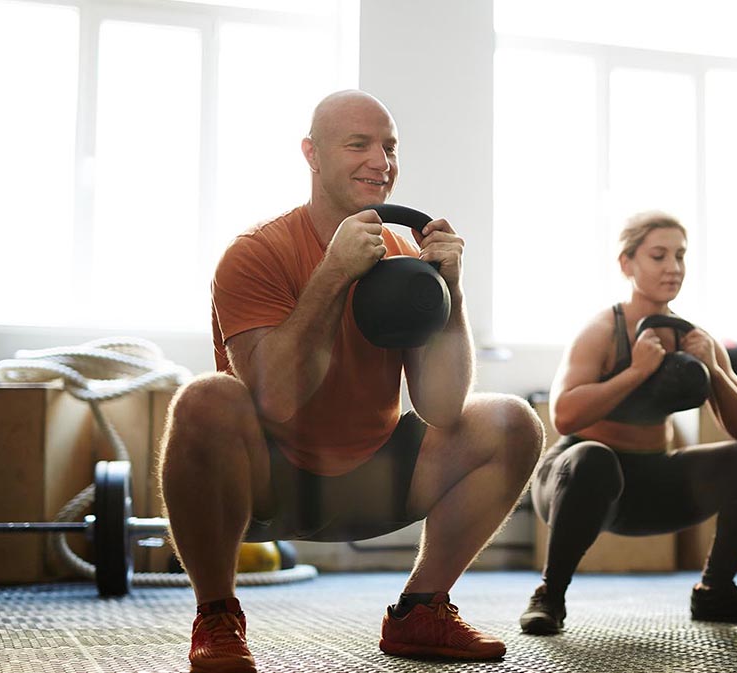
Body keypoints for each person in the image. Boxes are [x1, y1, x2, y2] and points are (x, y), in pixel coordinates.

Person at [158, 90, 543, 672]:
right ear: (312, 154)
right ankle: (217, 616)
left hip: (376, 477)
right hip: (273, 481)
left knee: (512, 421)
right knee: (205, 399)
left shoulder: (404, 258)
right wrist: (334, 273)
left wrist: (450, 292)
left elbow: (441, 407)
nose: (380, 161)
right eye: (357, 144)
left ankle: (421, 610)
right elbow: (275, 398)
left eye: (389, 146)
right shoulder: (256, 254)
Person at [519, 211, 737, 636]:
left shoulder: (697, 336)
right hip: (578, 480)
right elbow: (564, 415)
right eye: (659, 256)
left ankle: (715, 592)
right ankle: (549, 595)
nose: (674, 267)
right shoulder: (603, 328)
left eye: (680, 256)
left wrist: (714, 370)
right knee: (593, 458)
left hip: (652, 483)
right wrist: (636, 372)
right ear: (627, 264)